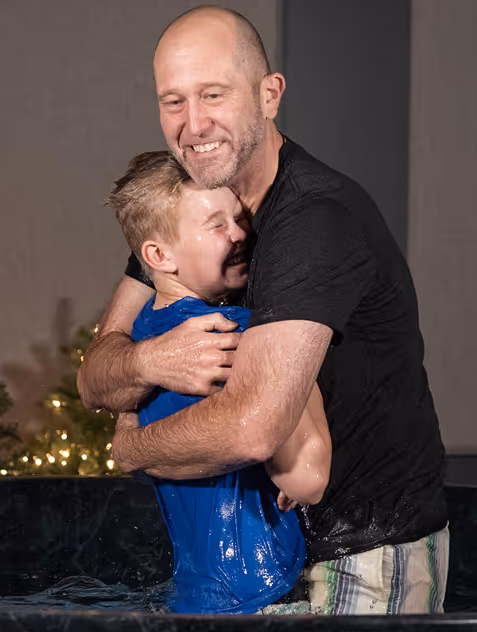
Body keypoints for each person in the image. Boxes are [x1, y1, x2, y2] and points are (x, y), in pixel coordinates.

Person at [78, 5, 449, 615]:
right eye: (173, 101)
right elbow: (94, 376)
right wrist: (149, 359)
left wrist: (131, 447)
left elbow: (252, 429)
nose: (193, 125)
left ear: (269, 95)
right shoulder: (186, 210)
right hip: (265, 557)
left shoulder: (314, 222)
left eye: (213, 94)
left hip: (362, 552)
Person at [104, 150, 330, 614]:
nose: (242, 233)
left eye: (239, 216)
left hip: (195, 591)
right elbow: (306, 480)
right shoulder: (236, 332)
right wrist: (299, 372)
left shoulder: (144, 334)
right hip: (262, 585)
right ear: (158, 255)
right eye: (217, 225)